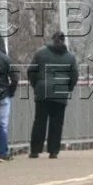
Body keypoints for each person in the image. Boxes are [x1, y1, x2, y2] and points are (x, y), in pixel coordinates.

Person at [28, 31, 79, 159]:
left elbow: (31, 71)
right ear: (63, 41)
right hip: (60, 93)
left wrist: (37, 85)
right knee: (57, 123)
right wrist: (68, 89)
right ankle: (53, 151)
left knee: (40, 121)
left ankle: (35, 150)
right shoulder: (70, 57)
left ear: (52, 39)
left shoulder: (40, 53)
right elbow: (74, 76)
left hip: (42, 91)